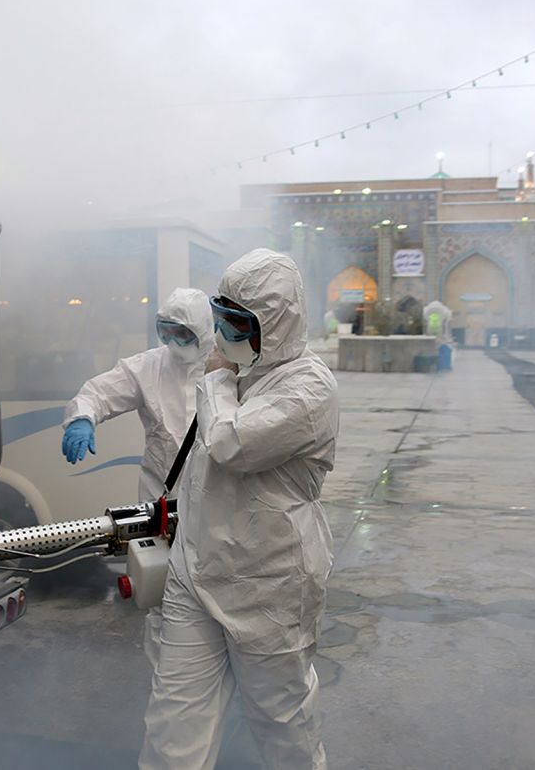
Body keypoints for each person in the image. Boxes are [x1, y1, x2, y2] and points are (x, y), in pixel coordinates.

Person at [140, 249, 339, 770]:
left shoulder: (308, 387)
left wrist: (218, 377)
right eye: (221, 315)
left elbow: (232, 443)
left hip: (267, 585)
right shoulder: (242, 372)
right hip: (196, 571)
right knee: (172, 730)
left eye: (237, 322)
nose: (224, 331)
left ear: (274, 324)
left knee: (282, 728)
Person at [61, 287, 213, 664]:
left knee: (217, 603)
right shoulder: (148, 367)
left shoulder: (227, 368)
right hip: (161, 507)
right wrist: (82, 417)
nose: (175, 341)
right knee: (160, 599)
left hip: (216, 507)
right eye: (167, 331)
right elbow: (97, 392)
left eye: (184, 333)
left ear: (206, 332)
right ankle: (166, 683)